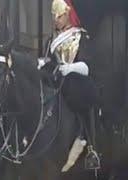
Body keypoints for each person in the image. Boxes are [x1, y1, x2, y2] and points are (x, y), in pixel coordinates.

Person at [38, 0, 100, 169]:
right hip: (56, 79)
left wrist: (69, 68)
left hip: (75, 79)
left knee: (81, 96)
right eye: (54, 16)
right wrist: (41, 64)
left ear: (68, 14)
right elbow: (49, 62)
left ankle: (90, 148)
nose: (56, 20)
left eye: (60, 16)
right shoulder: (51, 40)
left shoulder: (81, 36)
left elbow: (87, 65)